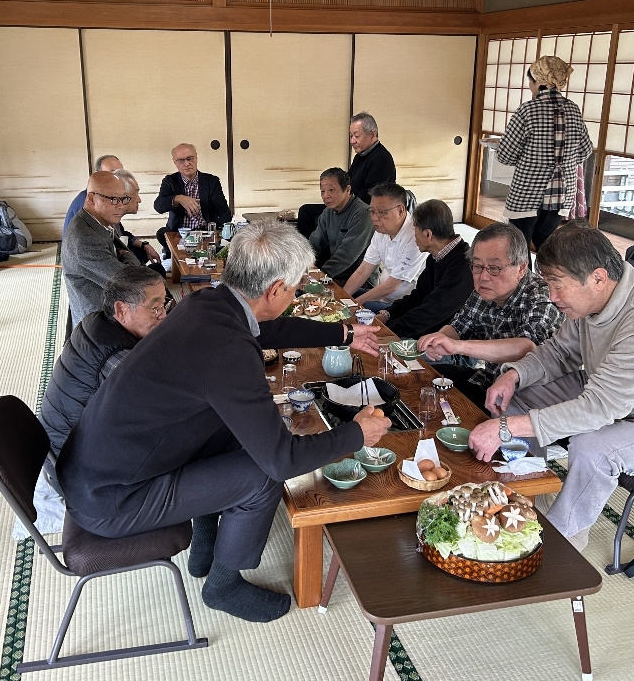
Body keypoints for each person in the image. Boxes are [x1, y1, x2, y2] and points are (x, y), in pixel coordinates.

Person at [57, 221, 390, 623]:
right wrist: (357, 433)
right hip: (112, 499)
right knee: (263, 475)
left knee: (234, 429)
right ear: (276, 290)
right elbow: (282, 461)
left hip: (99, 468)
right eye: (295, 288)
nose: (296, 293)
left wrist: (344, 332)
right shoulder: (228, 350)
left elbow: (265, 329)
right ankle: (223, 585)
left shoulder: (207, 303)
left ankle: (206, 543)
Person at [469, 223, 634, 550]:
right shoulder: (593, 299)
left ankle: (564, 539)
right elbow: (560, 352)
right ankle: (529, 487)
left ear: (598, 278)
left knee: (591, 448)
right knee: (516, 396)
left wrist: (505, 428)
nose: (552, 297)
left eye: (557, 285)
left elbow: (599, 408)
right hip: (613, 393)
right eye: (549, 284)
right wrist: (515, 375)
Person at [39, 266, 169, 493]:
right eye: (155, 308)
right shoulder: (116, 358)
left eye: (164, 305)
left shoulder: (96, 320)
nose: (164, 316)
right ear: (121, 310)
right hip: (75, 472)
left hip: (61, 449)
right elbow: (162, 407)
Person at [417, 222, 564, 409]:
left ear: (521, 268)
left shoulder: (542, 296)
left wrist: (458, 346)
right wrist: (439, 340)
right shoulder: (485, 291)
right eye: (477, 266)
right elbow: (459, 325)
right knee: (427, 377)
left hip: (526, 399)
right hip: (489, 380)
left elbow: (527, 348)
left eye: (494, 268)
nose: (483, 277)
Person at [497, 56, 594, 251]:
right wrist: (564, 160)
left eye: (530, 82)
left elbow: (505, 155)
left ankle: (524, 273)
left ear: (537, 81)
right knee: (546, 246)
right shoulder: (573, 109)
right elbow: (585, 150)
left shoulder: (528, 110)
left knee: (519, 247)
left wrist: (528, 158)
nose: (529, 87)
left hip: (527, 193)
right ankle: (551, 273)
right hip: (561, 195)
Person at [374, 199, 472, 340]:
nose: (414, 235)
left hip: (444, 340)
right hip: (423, 326)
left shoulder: (462, 265)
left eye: (415, 230)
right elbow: (418, 296)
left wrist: (386, 331)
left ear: (428, 234)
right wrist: (387, 314)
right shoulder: (436, 256)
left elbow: (429, 314)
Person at [62, 170, 143, 324]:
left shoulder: (97, 221)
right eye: (114, 199)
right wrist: (127, 255)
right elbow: (130, 283)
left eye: (124, 199)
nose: (121, 206)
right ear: (91, 198)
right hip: (100, 321)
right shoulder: (85, 238)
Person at [297, 112, 396, 237]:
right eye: (351, 136)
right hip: (347, 203)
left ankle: (321, 249)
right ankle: (305, 248)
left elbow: (369, 197)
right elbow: (346, 182)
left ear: (372, 134)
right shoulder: (360, 156)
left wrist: (342, 205)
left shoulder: (381, 158)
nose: (352, 141)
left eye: (357, 136)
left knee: (321, 219)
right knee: (306, 211)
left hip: (362, 211)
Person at [341, 182, 426, 312]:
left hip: (402, 306)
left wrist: (354, 304)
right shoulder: (381, 230)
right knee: (340, 295)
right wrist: (342, 299)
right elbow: (363, 271)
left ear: (400, 210)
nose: (375, 218)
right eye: (372, 211)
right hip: (383, 298)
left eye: (381, 212)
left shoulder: (416, 236)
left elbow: (392, 286)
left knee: (353, 310)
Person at [154, 143, 232, 258]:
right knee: (162, 233)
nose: (186, 163)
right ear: (175, 162)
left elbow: (224, 213)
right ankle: (173, 257)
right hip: (180, 234)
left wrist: (222, 233)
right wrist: (179, 198)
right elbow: (158, 206)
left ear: (196, 158)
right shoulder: (170, 181)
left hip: (205, 233)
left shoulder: (211, 181)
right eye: (181, 160)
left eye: (190, 158)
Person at [307, 167, 374, 285]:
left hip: (359, 280)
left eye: (331, 190)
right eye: (322, 191)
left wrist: (321, 275)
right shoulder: (328, 212)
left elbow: (346, 255)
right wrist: (300, 263)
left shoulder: (363, 214)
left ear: (347, 190)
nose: (326, 196)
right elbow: (315, 242)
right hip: (336, 275)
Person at [63, 153, 122, 231]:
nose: (119, 177)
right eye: (112, 172)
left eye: (121, 173)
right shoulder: (86, 200)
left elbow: (118, 231)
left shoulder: (109, 198)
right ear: (97, 175)